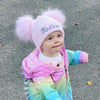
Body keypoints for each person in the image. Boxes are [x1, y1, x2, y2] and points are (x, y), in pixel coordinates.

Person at [15, 8, 88, 100]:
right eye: (50, 38)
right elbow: (46, 88)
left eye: (59, 35)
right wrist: (54, 97)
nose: (57, 40)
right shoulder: (39, 67)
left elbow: (67, 56)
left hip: (63, 92)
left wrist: (79, 56)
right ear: (40, 44)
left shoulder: (60, 53)